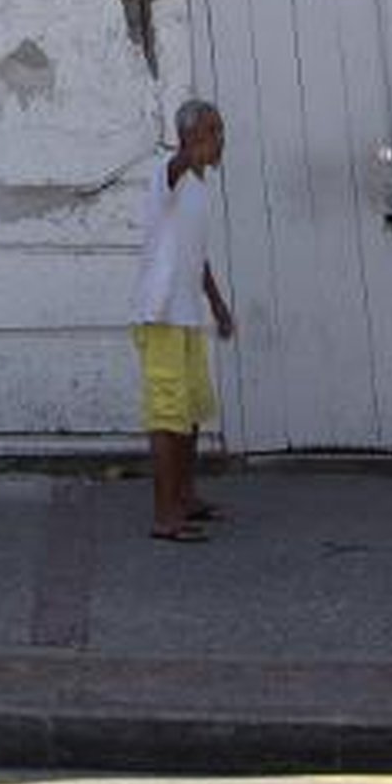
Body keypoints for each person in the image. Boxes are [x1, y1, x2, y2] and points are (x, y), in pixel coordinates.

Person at [132, 96, 237, 541]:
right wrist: (184, 152)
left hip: (188, 312)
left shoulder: (200, 188)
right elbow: (176, 166)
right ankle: (164, 516)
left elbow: (197, 255)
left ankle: (186, 498)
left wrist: (216, 303)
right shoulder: (168, 175)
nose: (221, 141)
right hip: (161, 314)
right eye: (213, 132)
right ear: (192, 137)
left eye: (220, 131)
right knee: (167, 413)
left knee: (191, 410)